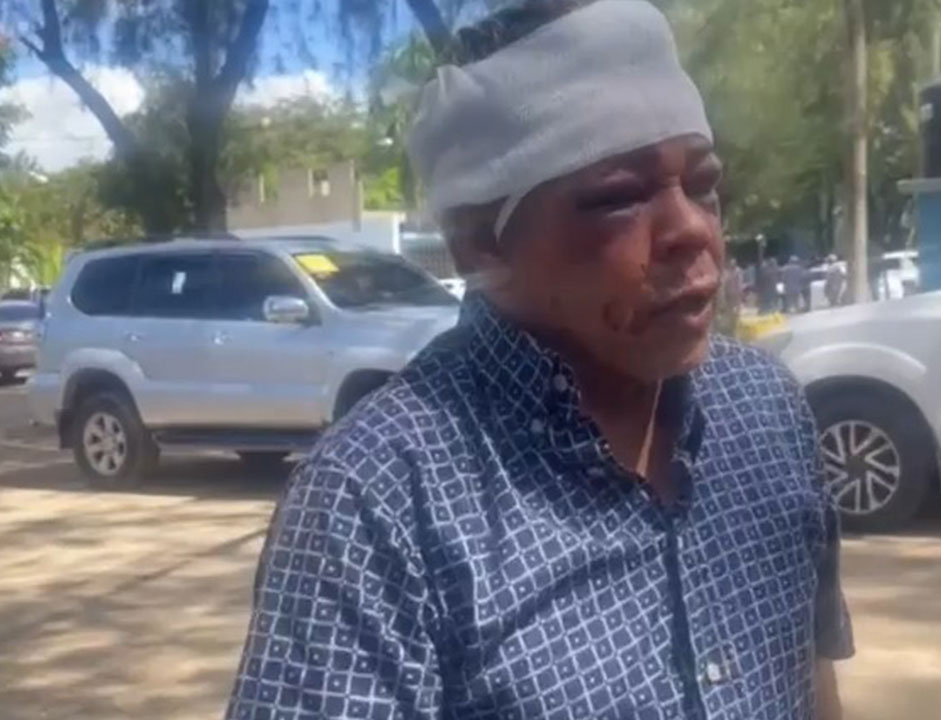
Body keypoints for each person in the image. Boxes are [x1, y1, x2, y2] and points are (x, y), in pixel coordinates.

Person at [225, 2, 852, 719]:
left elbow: (812, 684)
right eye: (618, 198)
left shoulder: (766, 413)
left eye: (703, 184)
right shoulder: (378, 500)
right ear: (479, 243)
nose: (691, 229)